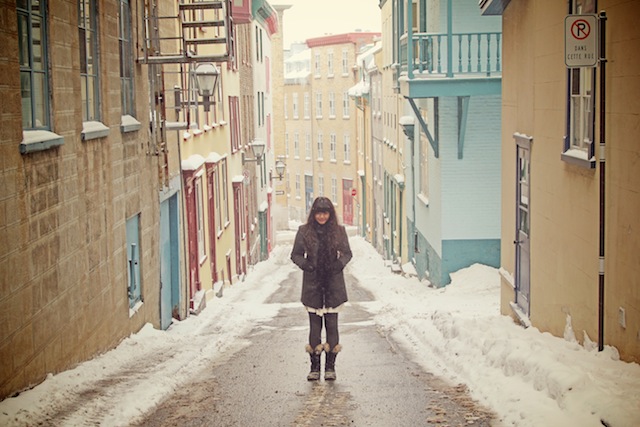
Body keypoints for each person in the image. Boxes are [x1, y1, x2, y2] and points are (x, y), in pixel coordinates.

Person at [291, 196, 353, 381]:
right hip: (313, 285)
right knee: (315, 327)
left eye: (325, 213)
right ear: (313, 214)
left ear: (330, 214)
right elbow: (295, 254)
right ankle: (315, 367)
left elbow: (347, 253)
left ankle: (330, 367)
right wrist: (307, 265)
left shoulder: (339, 231)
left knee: (332, 326)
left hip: (333, 285)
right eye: (318, 213)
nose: (322, 217)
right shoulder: (304, 231)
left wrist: (338, 264)